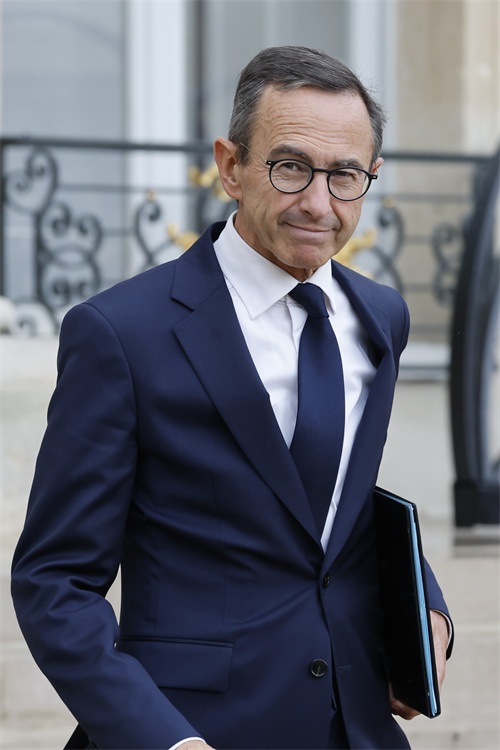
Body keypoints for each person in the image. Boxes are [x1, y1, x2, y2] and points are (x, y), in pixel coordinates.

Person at [11, 46, 452, 750]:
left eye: (344, 176)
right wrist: (165, 741)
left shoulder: (382, 318)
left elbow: (333, 510)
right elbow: (54, 583)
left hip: (359, 729)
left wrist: (425, 609)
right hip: (191, 730)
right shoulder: (120, 334)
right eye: (291, 167)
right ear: (229, 166)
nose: (319, 203)